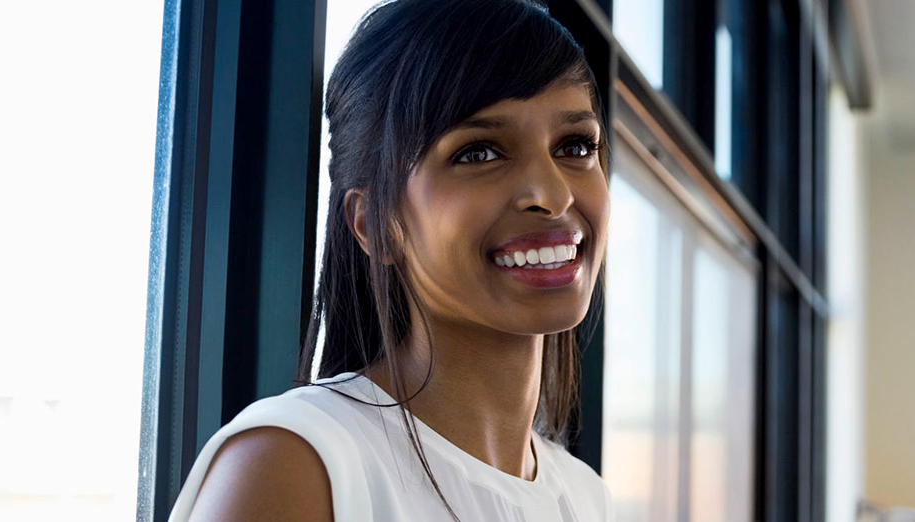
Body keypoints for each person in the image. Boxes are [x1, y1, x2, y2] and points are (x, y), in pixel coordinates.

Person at [166, 0, 613, 520]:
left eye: (576, 146)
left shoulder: (586, 497)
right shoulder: (295, 463)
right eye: (479, 152)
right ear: (374, 223)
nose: (553, 195)